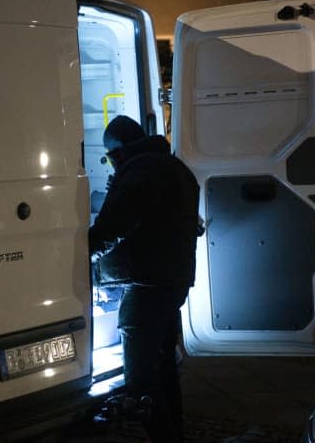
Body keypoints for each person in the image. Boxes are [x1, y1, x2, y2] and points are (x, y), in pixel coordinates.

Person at [89, 115, 200, 442]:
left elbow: (114, 226)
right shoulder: (173, 167)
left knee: (140, 380)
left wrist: (84, 253)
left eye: (109, 157)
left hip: (147, 284)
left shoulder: (140, 171)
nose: (110, 164)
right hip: (171, 281)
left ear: (119, 150)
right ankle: (173, 434)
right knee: (165, 368)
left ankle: (160, 434)